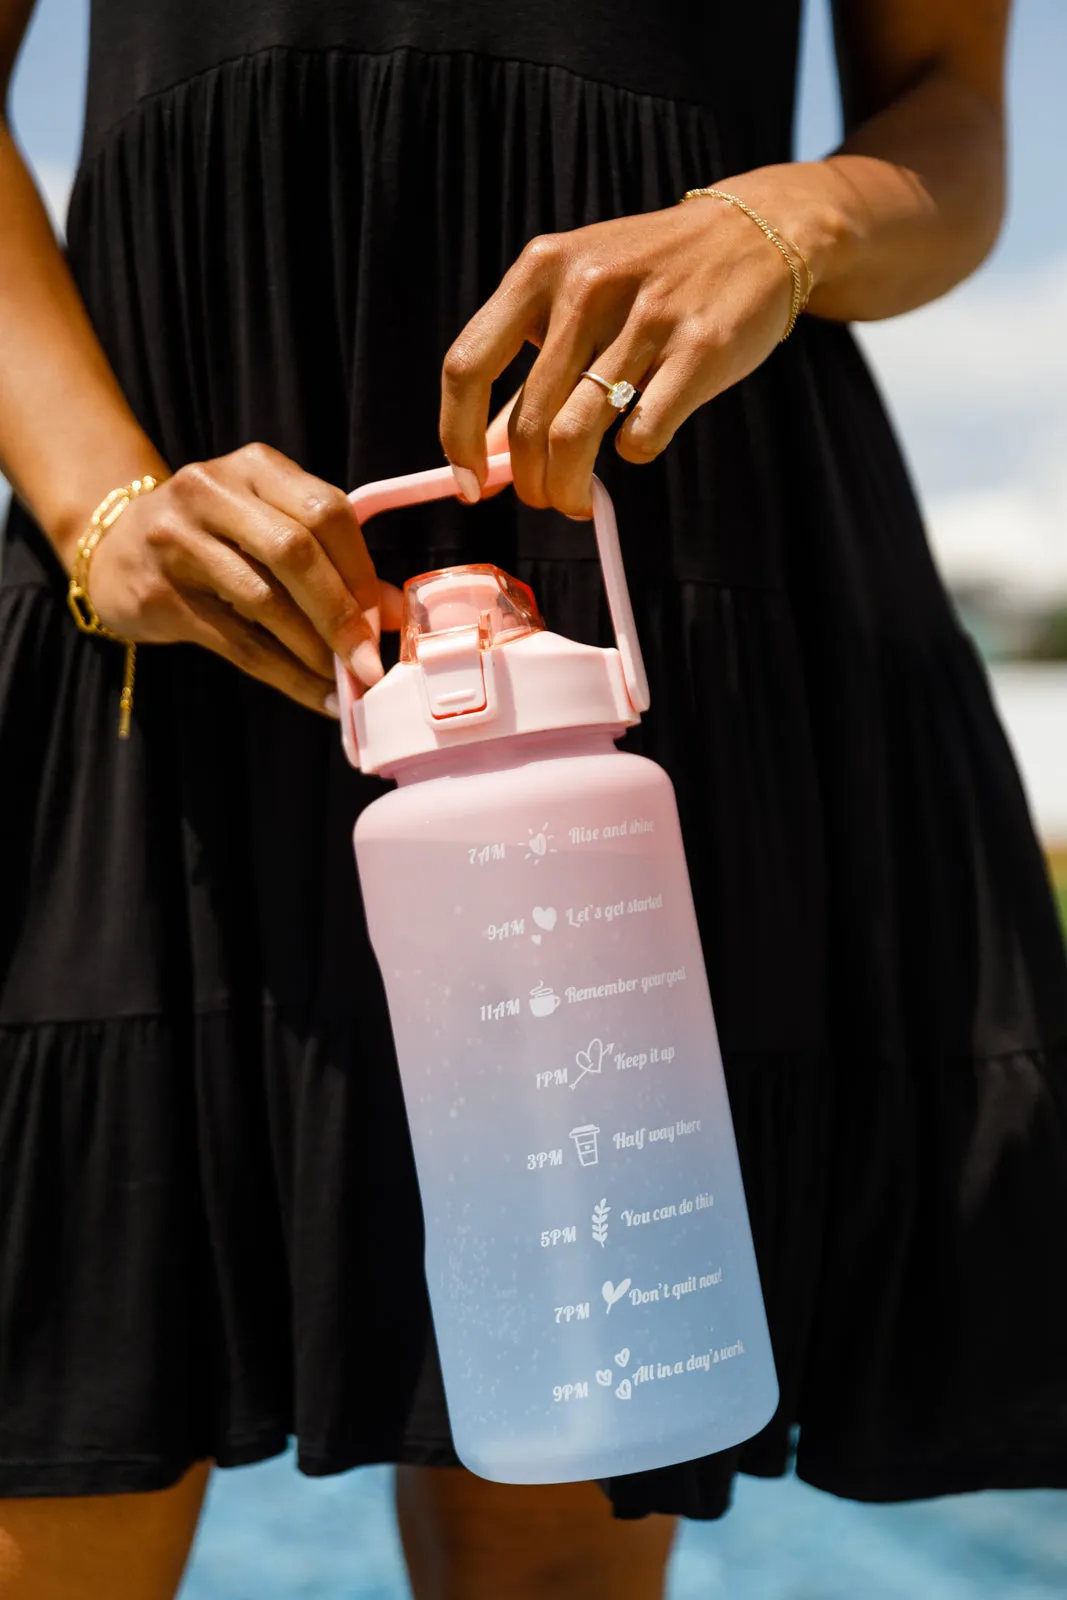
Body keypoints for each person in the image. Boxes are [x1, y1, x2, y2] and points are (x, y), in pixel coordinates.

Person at [2, 0, 1066, 1594]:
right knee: (53, 1442)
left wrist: (792, 217)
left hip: (642, 540)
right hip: (167, 548)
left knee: (566, 1489)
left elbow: (952, 122)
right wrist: (102, 504)